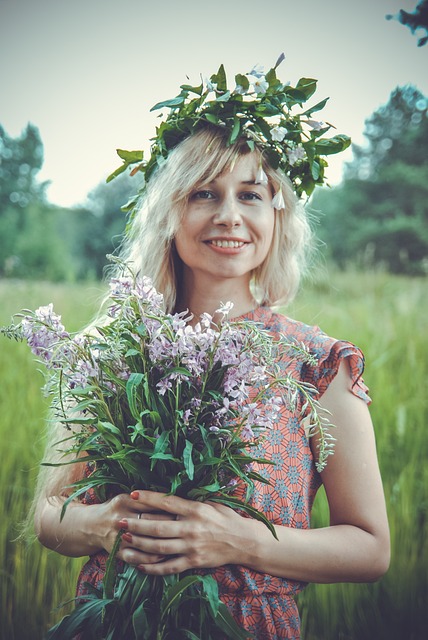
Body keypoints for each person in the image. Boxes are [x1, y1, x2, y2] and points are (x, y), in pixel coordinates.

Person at [32, 60, 390, 639]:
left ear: (277, 216)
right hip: (113, 623)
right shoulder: (113, 350)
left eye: (250, 194)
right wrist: (102, 526)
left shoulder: (315, 365)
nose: (229, 216)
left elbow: (370, 549)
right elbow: (50, 516)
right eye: (204, 193)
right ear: (170, 213)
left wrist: (239, 540)